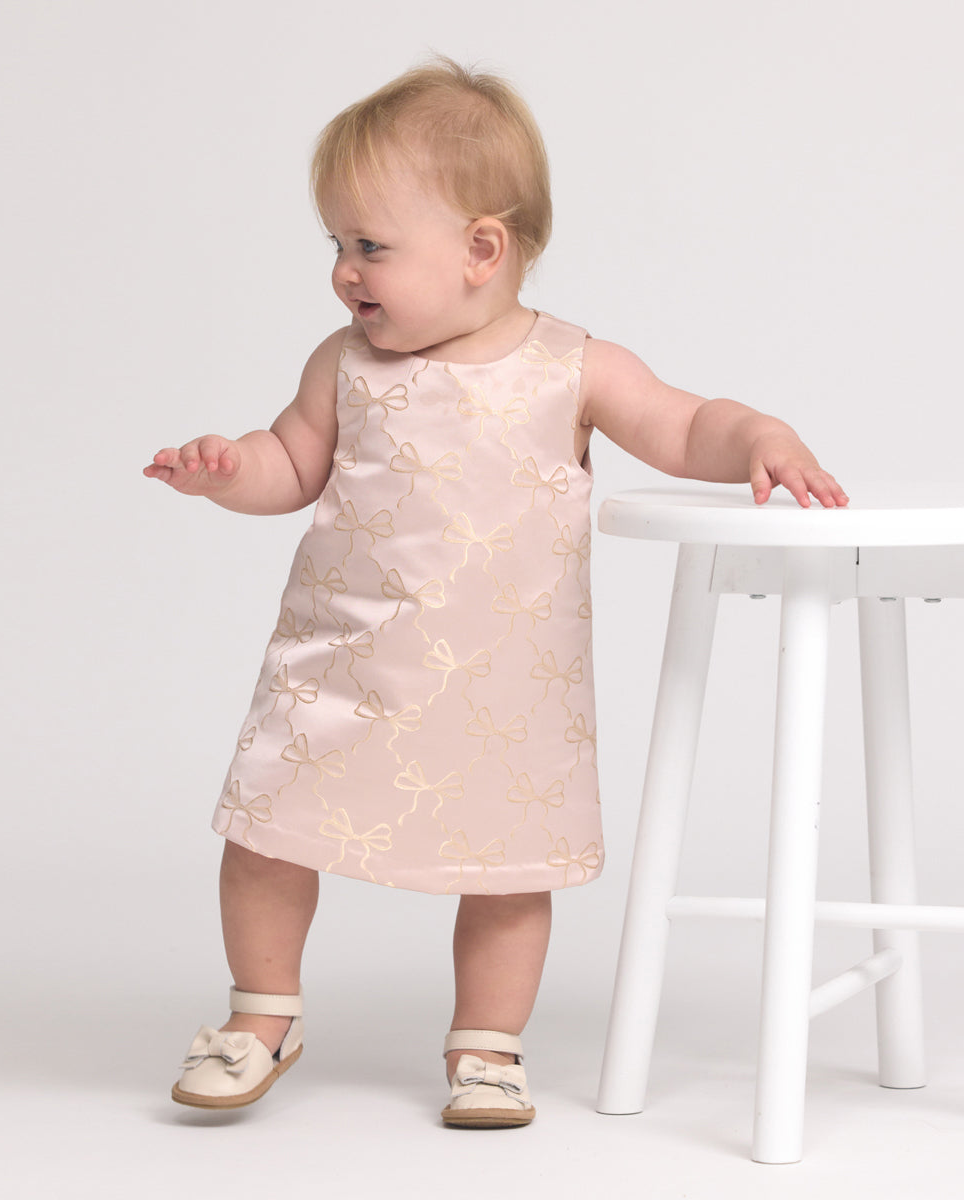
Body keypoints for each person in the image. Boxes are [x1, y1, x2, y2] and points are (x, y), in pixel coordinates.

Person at [145, 56, 847, 1128]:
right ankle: (262, 1013)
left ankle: (487, 1042)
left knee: (509, 869)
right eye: (336, 245)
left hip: (503, 688)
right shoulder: (344, 363)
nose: (344, 272)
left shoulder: (573, 365)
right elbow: (289, 464)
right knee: (267, 835)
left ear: (481, 249)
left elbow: (682, 423)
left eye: (370, 246)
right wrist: (229, 471)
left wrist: (758, 433)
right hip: (341, 666)